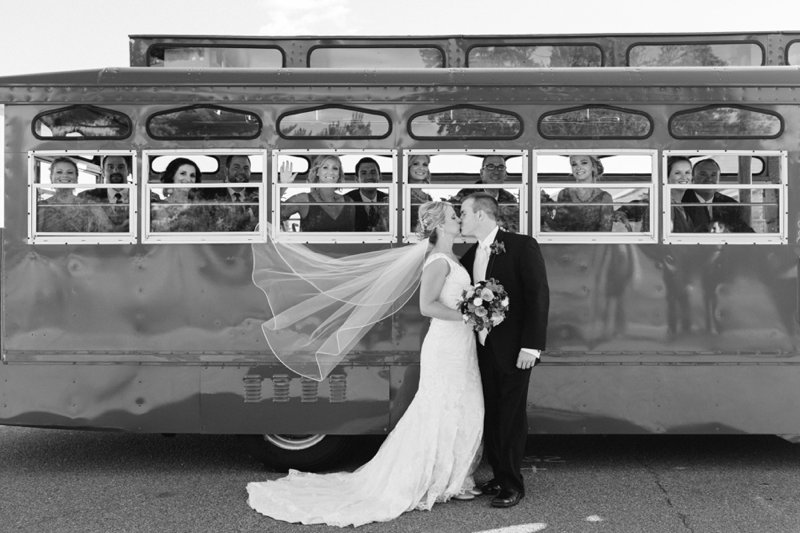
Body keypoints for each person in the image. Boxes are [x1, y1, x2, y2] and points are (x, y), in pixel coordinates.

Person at [247, 201, 483, 526]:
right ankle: (439, 481)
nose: (460, 221)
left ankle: (452, 479)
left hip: (460, 343)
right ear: (440, 226)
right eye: (455, 217)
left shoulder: (453, 257)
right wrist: (471, 315)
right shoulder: (439, 261)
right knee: (444, 407)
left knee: (458, 406)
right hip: (446, 344)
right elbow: (427, 306)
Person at [459, 192, 549, 508]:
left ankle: (513, 484)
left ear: (482, 215)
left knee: (511, 418)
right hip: (483, 348)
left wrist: (531, 346)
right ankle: (498, 476)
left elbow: (538, 297)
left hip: (515, 350)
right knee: (493, 415)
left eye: (465, 213)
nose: (461, 219)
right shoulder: (471, 254)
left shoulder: (522, 246)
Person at [279, 155, 355, 232]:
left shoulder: (349, 202)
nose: (331, 172)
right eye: (325, 167)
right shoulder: (303, 200)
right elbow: (275, 215)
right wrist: (283, 186)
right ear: (317, 172)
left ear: (339, 174)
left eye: (335, 168)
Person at [37, 157, 112, 233]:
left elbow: (108, 233)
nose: (65, 176)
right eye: (59, 172)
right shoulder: (40, 207)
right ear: (51, 178)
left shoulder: (91, 207)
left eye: (70, 172)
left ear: (76, 179)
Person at [542, 154, 613, 232]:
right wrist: (544, 212)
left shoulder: (605, 198)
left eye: (584, 163)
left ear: (593, 166)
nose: (578, 167)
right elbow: (559, 227)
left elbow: (605, 233)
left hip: (593, 244)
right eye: (574, 164)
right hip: (566, 243)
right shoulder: (564, 194)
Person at [453, 155, 519, 233]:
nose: (496, 172)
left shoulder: (510, 199)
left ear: (505, 175)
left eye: (501, 167)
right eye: (490, 167)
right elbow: (455, 224)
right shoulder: (466, 195)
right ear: (481, 173)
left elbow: (514, 227)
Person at [681, 158, 750, 233]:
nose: (709, 179)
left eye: (713, 175)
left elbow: (745, 232)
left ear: (719, 179)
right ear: (692, 178)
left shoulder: (730, 205)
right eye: (703, 174)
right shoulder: (681, 201)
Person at [150, 157, 211, 232]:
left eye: (192, 176)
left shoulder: (199, 206)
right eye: (183, 174)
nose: (188, 180)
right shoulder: (161, 207)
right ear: (172, 176)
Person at [78, 155, 131, 231]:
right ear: (102, 172)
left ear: (128, 170)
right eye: (110, 167)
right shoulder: (85, 197)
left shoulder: (147, 197)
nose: (115, 171)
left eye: (121, 167)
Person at [344, 157, 389, 232]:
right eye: (364, 173)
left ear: (380, 177)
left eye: (373, 172)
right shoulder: (346, 201)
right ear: (356, 179)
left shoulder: (389, 199)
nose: (369, 177)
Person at [408, 154, 433, 230]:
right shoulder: (401, 195)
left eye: (425, 165)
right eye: (415, 164)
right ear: (408, 167)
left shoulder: (428, 197)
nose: (421, 168)